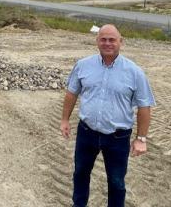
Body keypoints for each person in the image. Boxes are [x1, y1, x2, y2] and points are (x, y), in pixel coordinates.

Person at [60, 24, 155, 207]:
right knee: (80, 173)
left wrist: (141, 138)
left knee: (116, 182)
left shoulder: (135, 72)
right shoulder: (83, 65)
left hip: (117, 137)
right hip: (87, 133)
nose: (107, 43)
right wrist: (65, 119)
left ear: (121, 42)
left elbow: (144, 107)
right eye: (103, 39)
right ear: (97, 41)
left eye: (112, 39)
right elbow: (71, 93)